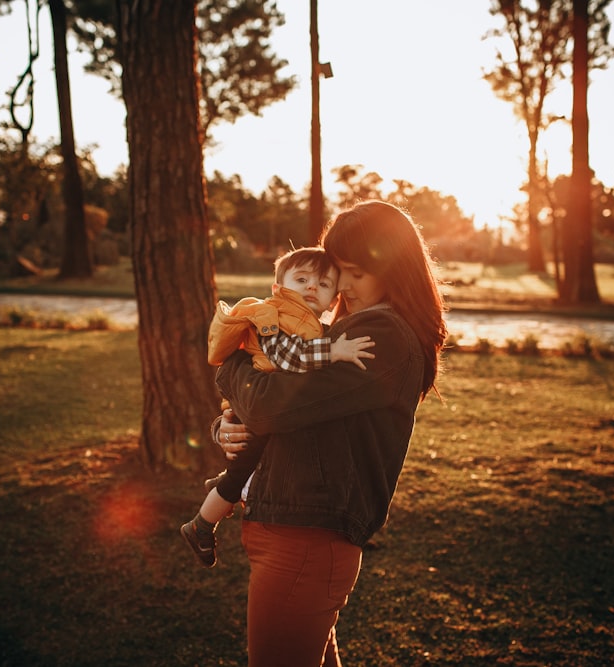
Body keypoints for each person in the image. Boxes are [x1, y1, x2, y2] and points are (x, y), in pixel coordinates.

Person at [212, 201, 447, 666]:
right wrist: (225, 426)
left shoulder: (381, 336)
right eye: (340, 270)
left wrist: (231, 362)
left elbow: (267, 403)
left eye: (357, 272)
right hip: (294, 531)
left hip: (307, 539)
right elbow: (271, 400)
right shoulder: (338, 330)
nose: (344, 285)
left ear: (395, 270)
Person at [181, 246, 376, 568]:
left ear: (333, 300)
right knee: (240, 471)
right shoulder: (273, 314)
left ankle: (225, 485)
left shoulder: (310, 324)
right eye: (302, 279)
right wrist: (333, 352)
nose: (313, 287)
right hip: (251, 404)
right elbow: (283, 357)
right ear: (278, 288)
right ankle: (201, 525)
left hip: (265, 402)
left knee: (256, 460)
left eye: (324, 284)